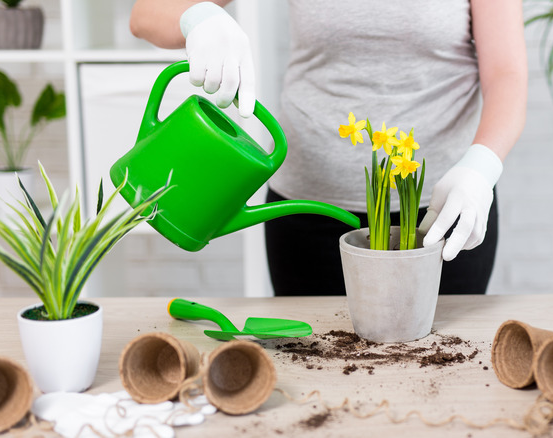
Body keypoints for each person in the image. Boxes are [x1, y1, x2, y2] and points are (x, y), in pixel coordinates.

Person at [129, 0, 527, 296]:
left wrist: (481, 167)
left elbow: (506, 74)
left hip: (440, 217)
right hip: (306, 213)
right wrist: (198, 16)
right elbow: (146, 15)